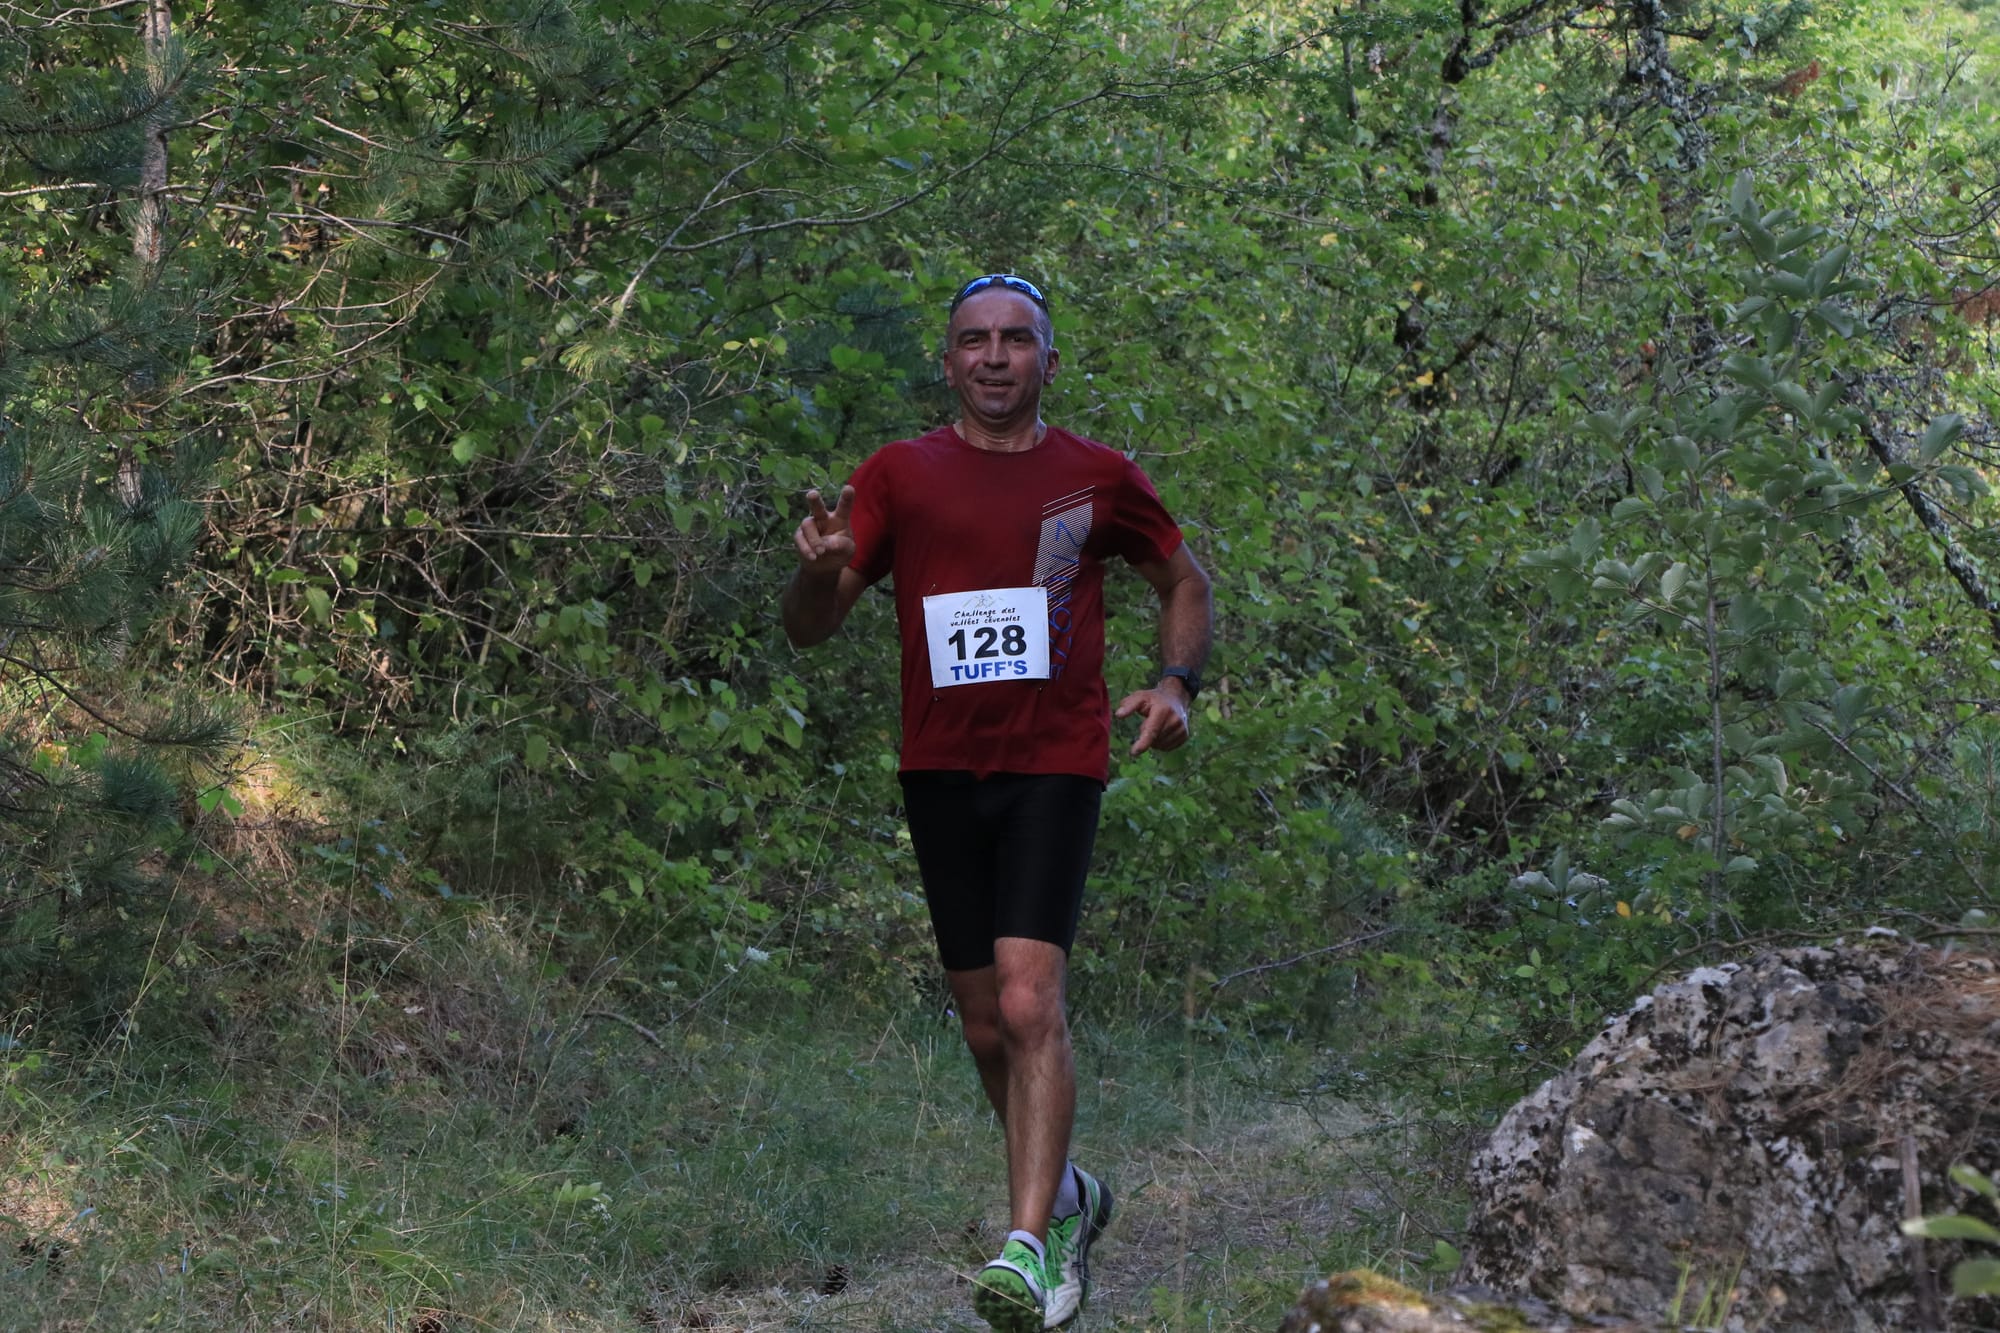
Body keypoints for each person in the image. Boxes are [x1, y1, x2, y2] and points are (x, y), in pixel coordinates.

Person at [781, 272, 1212, 1332]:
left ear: (1047, 362)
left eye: (1015, 340)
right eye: (972, 340)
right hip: (939, 767)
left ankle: (1029, 1246)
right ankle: (1068, 1195)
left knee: (1028, 1003)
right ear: (946, 362)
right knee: (982, 1022)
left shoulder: (1097, 477)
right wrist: (820, 569)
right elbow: (809, 625)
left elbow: (1183, 584)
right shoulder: (896, 475)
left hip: (1056, 761)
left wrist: (1175, 683)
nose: (992, 357)